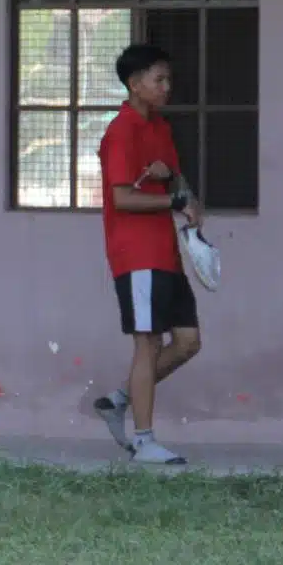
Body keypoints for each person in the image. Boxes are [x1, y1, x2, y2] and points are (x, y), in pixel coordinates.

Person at [91, 44, 204, 466]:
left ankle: (119, 400)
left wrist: (181, 191)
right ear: (134, 84)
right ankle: (143, 441)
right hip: (136, 255)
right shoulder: (120, 132)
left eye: (168, 79)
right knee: (149, 342)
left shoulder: (160, 128)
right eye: (159, 79)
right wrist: (174, 202)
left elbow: (177, 181)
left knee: (188, 342)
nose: (166, 86)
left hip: (167, 253)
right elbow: (122, 198)